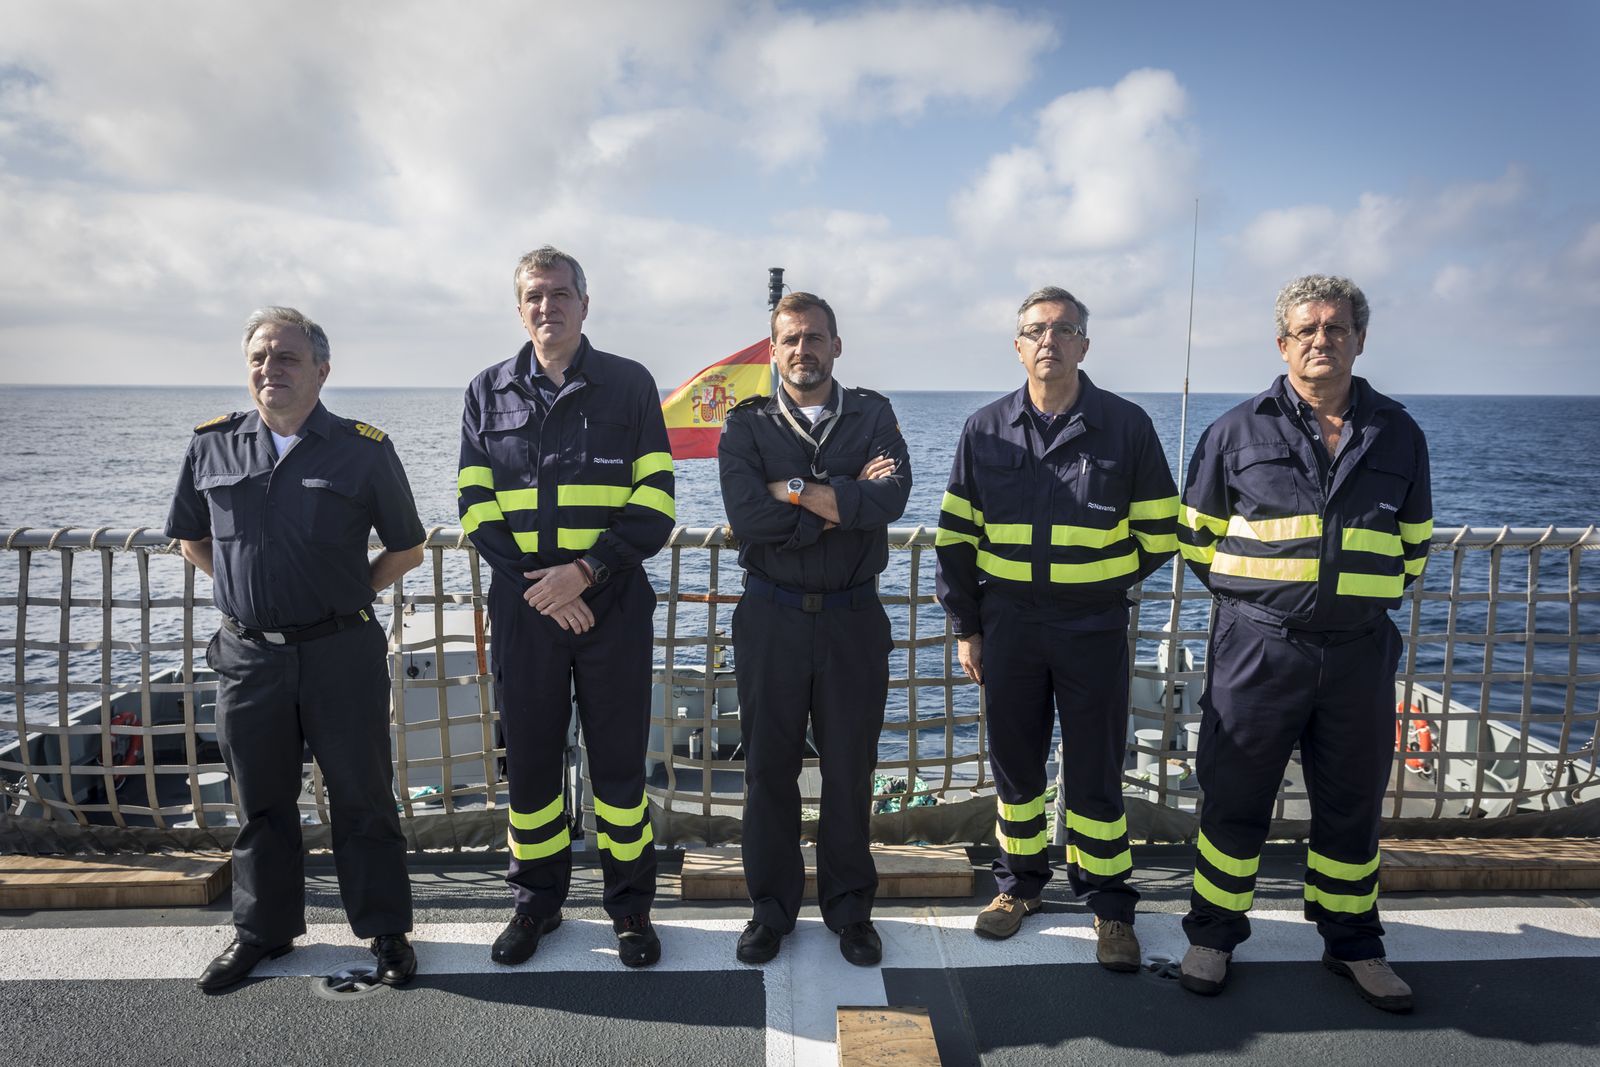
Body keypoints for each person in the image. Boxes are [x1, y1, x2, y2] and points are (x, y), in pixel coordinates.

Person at [1175, 274, 1432, 1013]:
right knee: (1234, 797)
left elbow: (1412, 546)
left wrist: (1350, 599)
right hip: (1259, 648)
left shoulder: (1400, 433)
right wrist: (1266, 599)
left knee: (1351, 804)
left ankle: (1354, 944)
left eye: (1337, 327)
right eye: (1308, 328)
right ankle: (1213, 935)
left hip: (1357, 652)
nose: (1323, 339)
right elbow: (1198, 537)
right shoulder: (1235, 429)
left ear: (1360, 338)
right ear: (1283, 341)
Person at [167, 307, 426, 993]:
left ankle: (385, 930)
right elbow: (191, 535)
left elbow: (407, 546)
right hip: (248, 656)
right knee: (261, 801)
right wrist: (241, 592)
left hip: (341, 650)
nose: (269, 369)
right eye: (259, 357)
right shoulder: (211, 446)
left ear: (321, 370)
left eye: (286, 357)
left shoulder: (363, 449)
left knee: (364, 798)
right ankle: (264, 932)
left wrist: (345, 593)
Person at [935, 286, 1178, 971]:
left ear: (1084, 345)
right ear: (1018, 346)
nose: (1050, 340)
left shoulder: (1126, 427)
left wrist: (1098, 575)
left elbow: (1161, 532)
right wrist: (967, 626)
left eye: (1064, 329)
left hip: (1093, 624)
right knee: (1016, 767)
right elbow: (955, 539)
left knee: (1096, 772)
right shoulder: (983, 429)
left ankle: (1108, 903)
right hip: (1008, 624)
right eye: (1037, 330)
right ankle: (1019, 886)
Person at [457, 246, 675, 968]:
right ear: (519, 307)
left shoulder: (631, 386)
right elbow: (475, 507)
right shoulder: (485, 392)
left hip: (612, 609)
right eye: (533, 295)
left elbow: (655, 504)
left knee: (618, 771)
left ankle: (631, 911)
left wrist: (584, 573)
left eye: (559, 294)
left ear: (586, 303)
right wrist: (543, 590)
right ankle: (536, 906)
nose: (546, 306)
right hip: (526, 613)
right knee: (531, 769)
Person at [718, 292, 911, 967]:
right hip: (770, 617)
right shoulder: (746, 426)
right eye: (791, 339)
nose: (804, 350)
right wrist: (842, 502)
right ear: (773, 350)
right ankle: (770, 909)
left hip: (853, 618)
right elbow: (748, 518)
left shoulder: (873, 413)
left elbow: (893, 497)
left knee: (850, 769)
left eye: (815, 338)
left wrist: (792, 491)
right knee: (769, 770)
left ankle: (850, 909)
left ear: (836, 345)